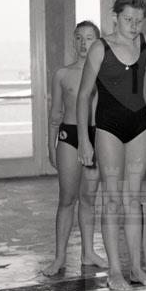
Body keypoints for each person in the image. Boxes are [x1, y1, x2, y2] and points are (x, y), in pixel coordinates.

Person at [77, 0, 146, 291]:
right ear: (115, 17)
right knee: (113, 199)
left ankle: (137, 269)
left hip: (139, 126)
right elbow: (83, 95)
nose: (134, 26)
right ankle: (115, 271)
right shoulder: (100, 48)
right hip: (108, 128)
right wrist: (84, 139)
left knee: (132, 199)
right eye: (129, 19)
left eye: (139, 20)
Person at [44, 21, 107, 276]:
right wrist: (51, 146)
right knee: (67, 199)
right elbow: (55, 114)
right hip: (69, 136)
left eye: (89, 38)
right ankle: (59, 257)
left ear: (97, 42)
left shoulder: (105, 75)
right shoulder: (62, 74)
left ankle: (88, 253)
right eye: (79, 38)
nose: (83, 43)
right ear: (73, 42)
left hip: (95, 136)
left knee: (89, 199)